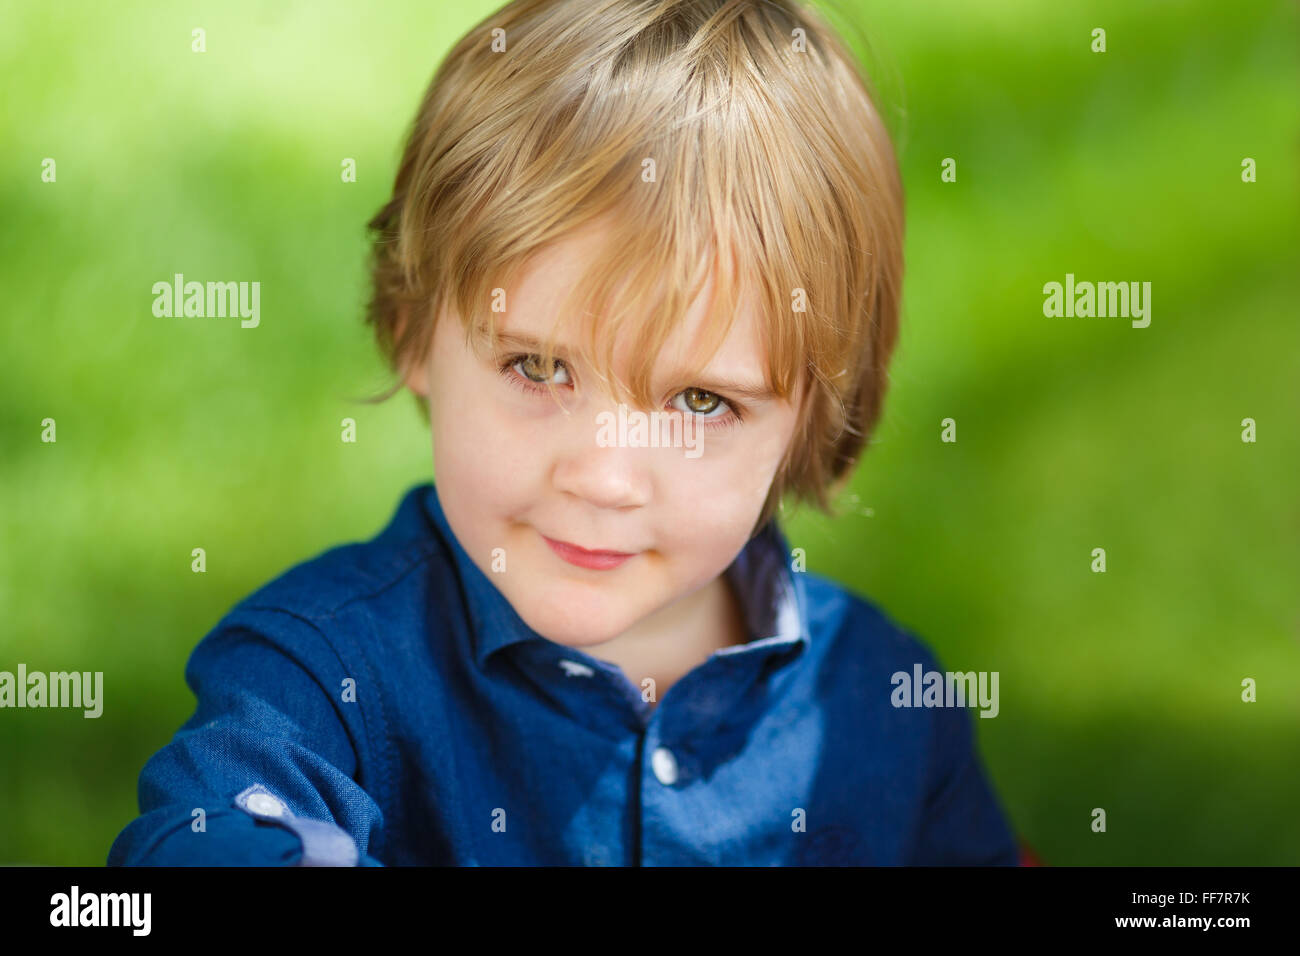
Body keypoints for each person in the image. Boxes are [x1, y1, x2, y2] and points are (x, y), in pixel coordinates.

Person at [109, 0, 1019, 866]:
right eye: (539, 369)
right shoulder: (318, 676)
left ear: (813, 416)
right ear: (414, 327)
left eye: (700, 402)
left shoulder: (884, 696)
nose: (605, 477)